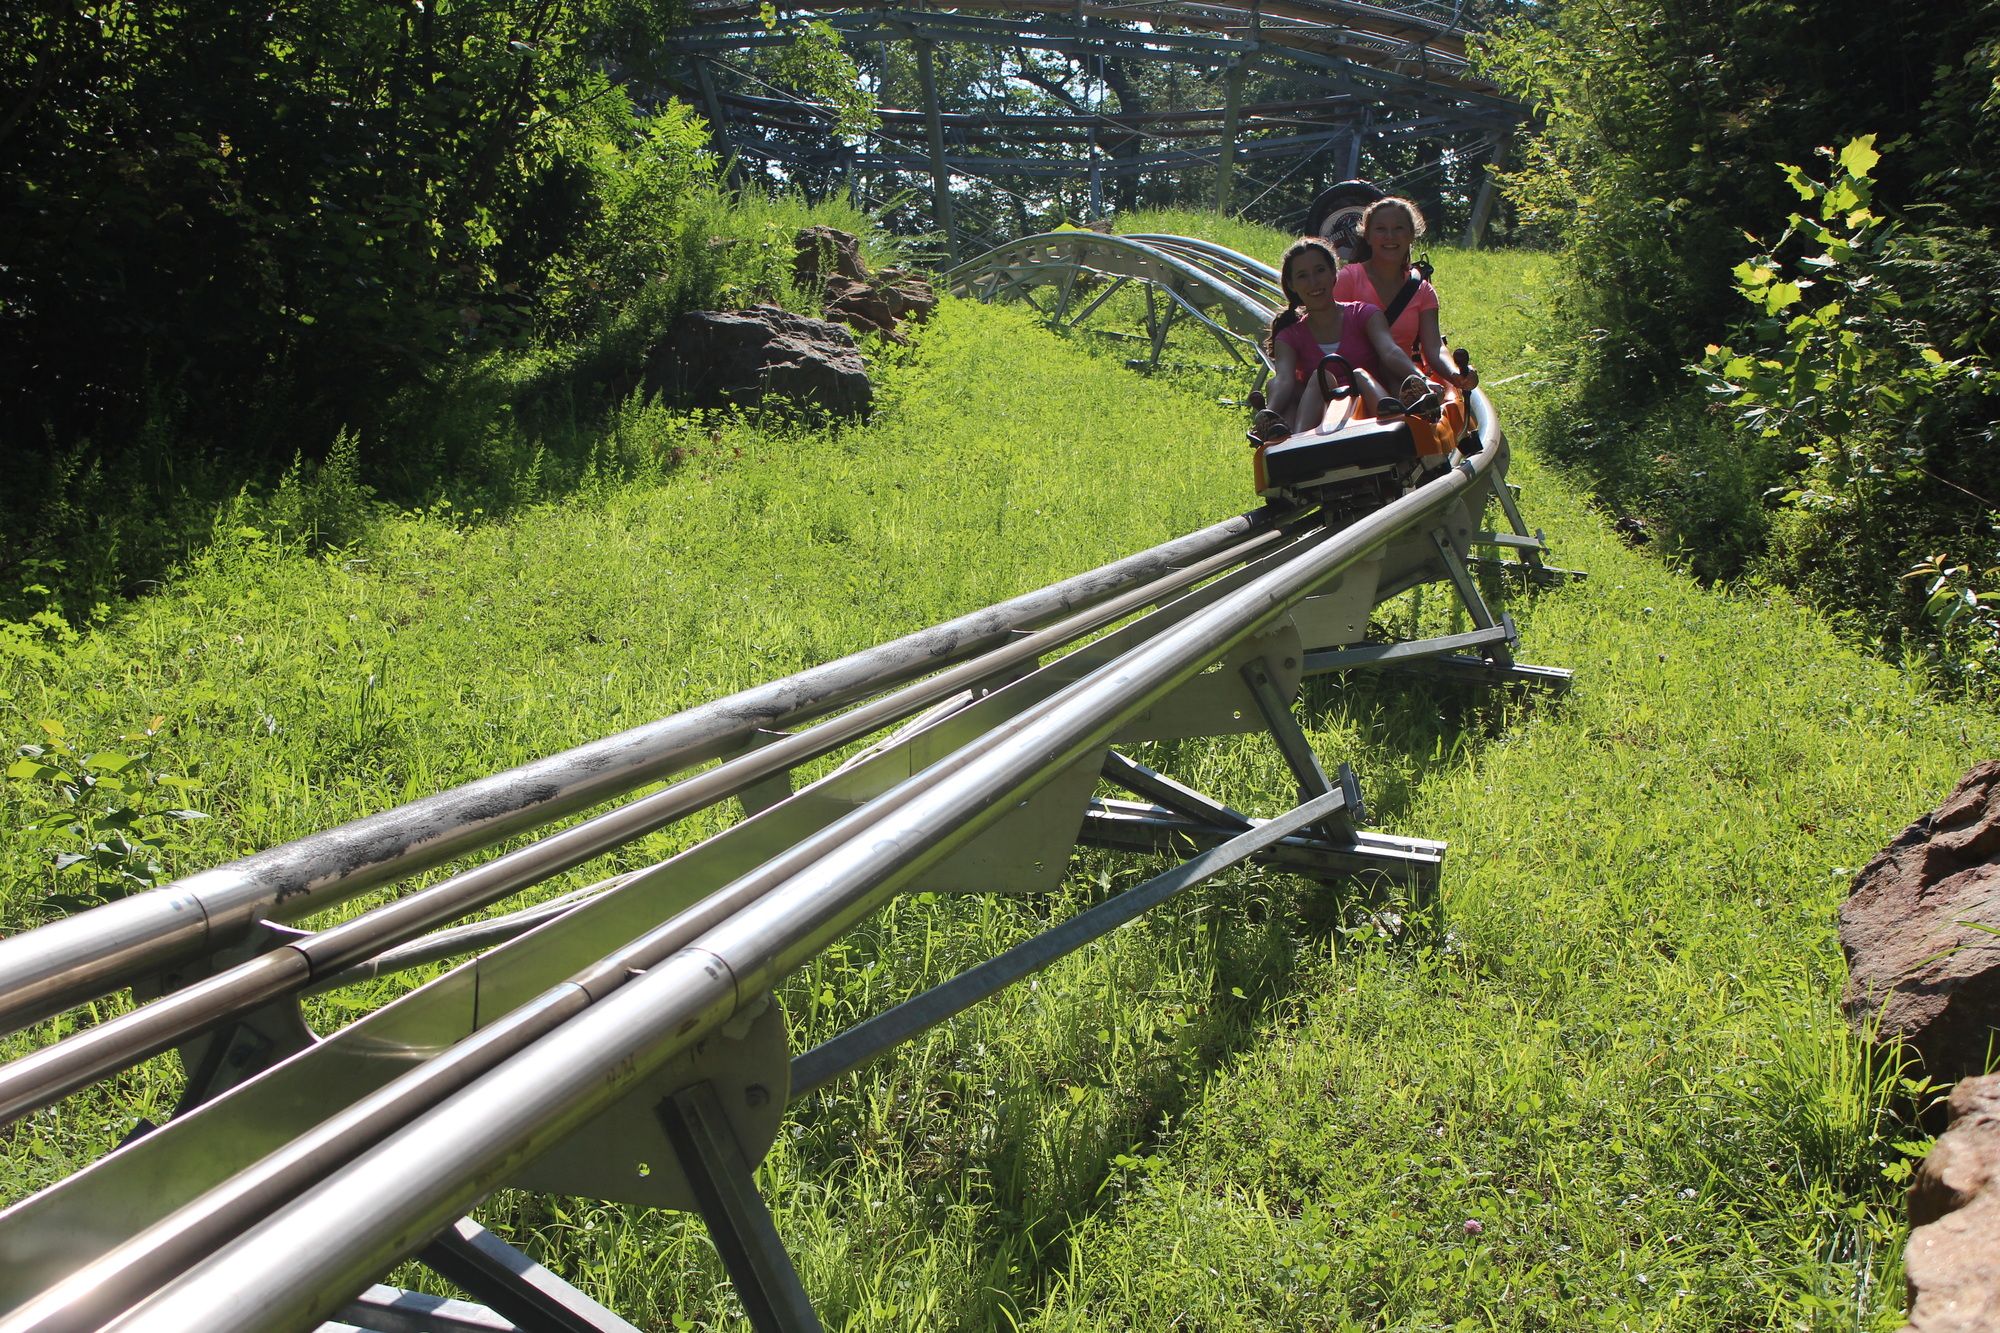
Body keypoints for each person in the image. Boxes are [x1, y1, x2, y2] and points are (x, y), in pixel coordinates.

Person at [1254, 235, 1440, 442]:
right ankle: (1295, 441)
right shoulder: (1290, 335)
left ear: (1334, 273)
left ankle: (1394, 422)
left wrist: (1424, 380)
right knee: (1319, 377)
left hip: (1369, 412)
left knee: (1360, 374)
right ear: (1292, 284)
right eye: (1303, 276)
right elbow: (1284, 379)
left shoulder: (1364, 314)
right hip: (1320, 417)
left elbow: (1390, 351)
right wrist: (1268, 413)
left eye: (1320, 271)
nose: (1314, 282)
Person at [1332, 197, 1478, 395]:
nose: (1390, 236)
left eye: (1398, 228)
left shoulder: (1423, 291)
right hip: (1352, 380)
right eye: (1381, 229)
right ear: (1368, 236)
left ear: (1411, 235)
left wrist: (1455, 374)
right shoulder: (1348, 279)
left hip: (1403, 377)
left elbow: (1434, 347)